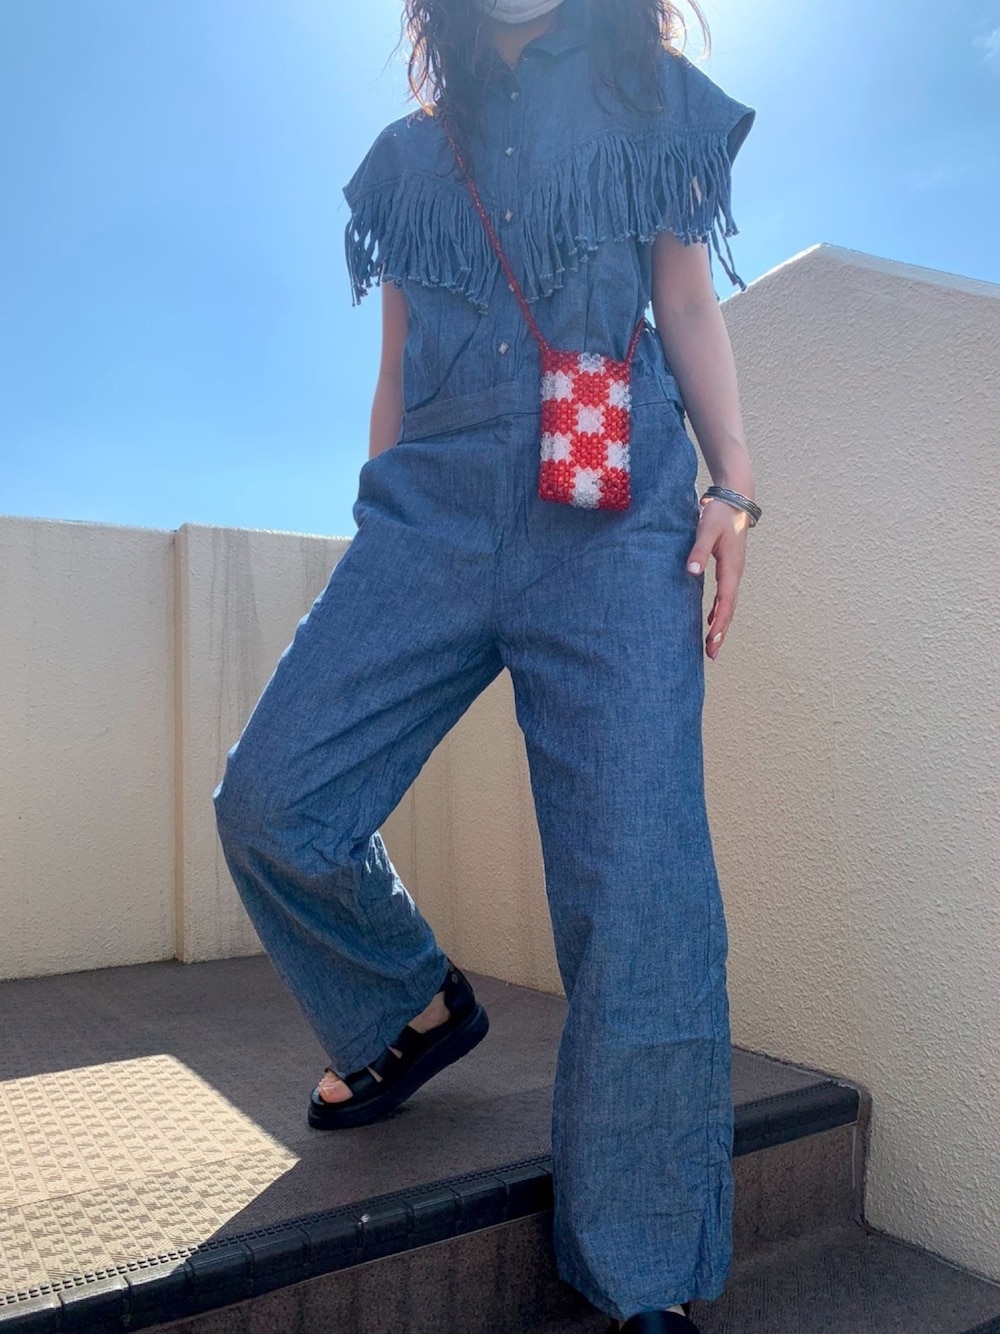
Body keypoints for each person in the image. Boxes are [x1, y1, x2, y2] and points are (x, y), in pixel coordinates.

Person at [213, 0, 758, 1329]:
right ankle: (411, 1005)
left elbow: (686, 297)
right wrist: (385, 521)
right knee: (273, 796)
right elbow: (398, 359)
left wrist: (735, 486)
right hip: (433, 515)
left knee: (638, 884)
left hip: (615, 507)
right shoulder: (408, 156)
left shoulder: (648, 94)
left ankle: (643, 1274)